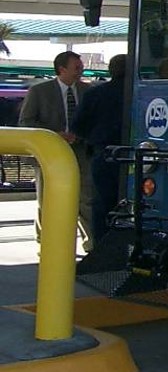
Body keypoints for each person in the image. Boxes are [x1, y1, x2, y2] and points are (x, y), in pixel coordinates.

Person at [18, 51, 93, 250]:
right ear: (62, 69)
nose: (81, 70)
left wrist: (80, 136)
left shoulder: (88, 91)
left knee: (86, 198)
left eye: (81, 67)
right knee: (48, 199)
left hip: (81, 151)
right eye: (76, 67)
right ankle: (47, 243)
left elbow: (94, 122)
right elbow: (26, 122)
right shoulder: (39, 92)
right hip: (49, 153)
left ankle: (90, 244)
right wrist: (55, 135)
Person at [73, 54, 126, 243]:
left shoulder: (95, 93)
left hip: (104, 153)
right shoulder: (143, 94)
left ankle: (102, 246)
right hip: (138, 155)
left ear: (111, 70)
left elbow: (78, 126)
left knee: (102, 203)